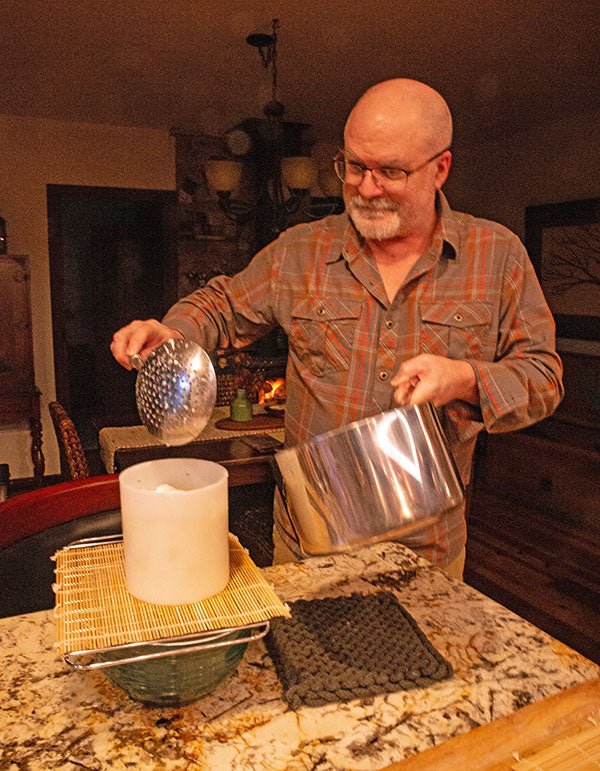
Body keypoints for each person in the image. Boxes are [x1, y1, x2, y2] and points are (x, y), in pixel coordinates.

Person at [111, 78, 563, 579]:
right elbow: (221, 305)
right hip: (309, 545)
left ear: (441, 169)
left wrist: (465, 380)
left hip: (427, 553)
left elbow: (543, 377)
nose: (366, 188)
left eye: (390, 171)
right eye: (353, 166)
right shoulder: (299, 251)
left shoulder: (498, 256)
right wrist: (174, 332)